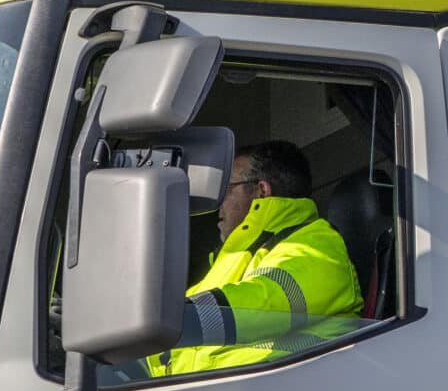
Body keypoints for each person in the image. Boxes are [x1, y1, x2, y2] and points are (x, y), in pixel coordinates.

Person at [146, 139, 362, 377]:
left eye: (227, 190)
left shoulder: (317, 243)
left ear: (261, 191)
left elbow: (267, 300)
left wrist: (171, 318)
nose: (219, 204)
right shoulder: (234, 257)